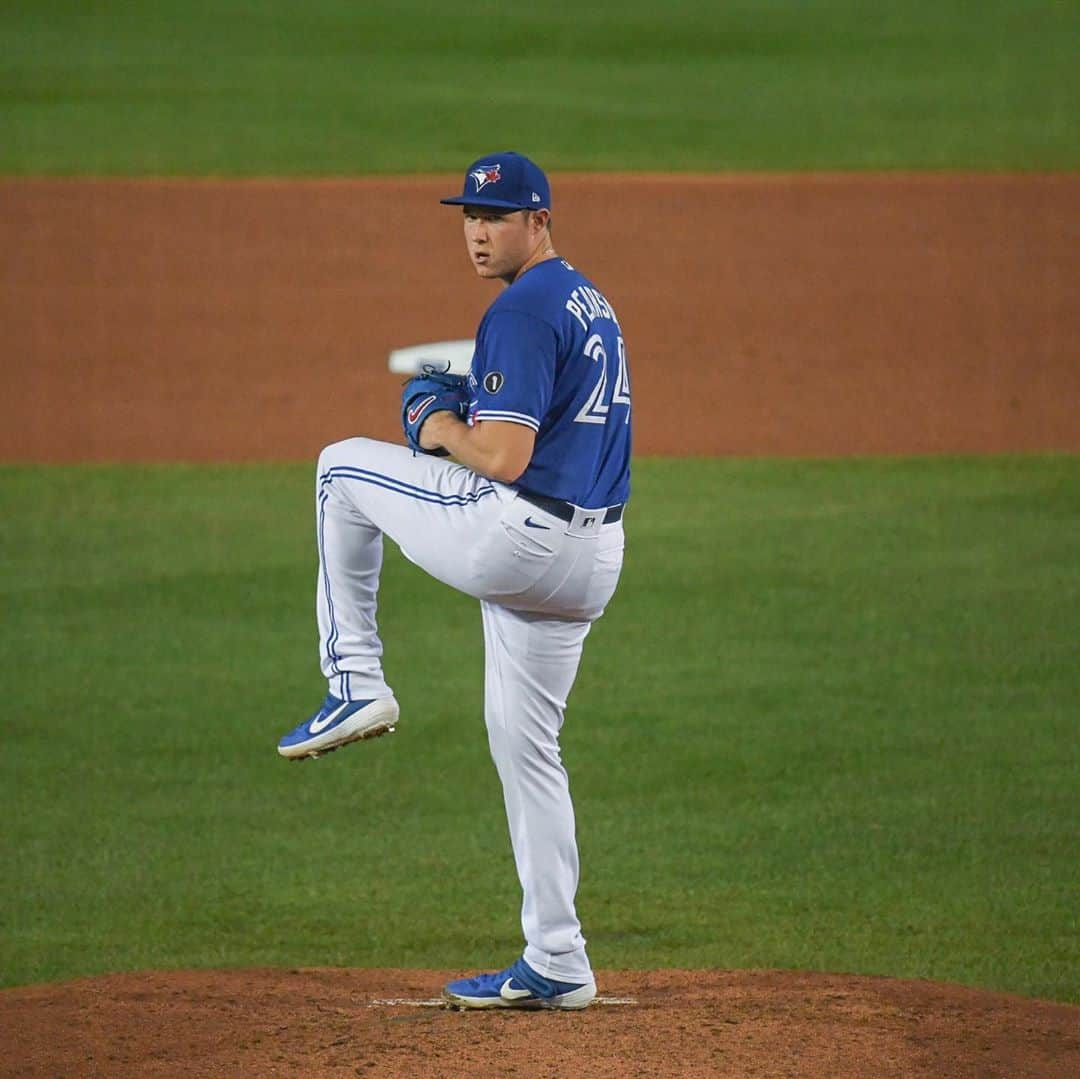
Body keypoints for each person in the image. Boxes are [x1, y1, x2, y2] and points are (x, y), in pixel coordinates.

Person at [277, 151, 632, 1010]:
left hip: (521, 542)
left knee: (339, 470)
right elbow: (543, 415)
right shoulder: (587, 300)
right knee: (527, 748)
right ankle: (558, 956)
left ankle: (354, 680)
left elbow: (503, 456)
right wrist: (470, 398)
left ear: (539, 220)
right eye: (469, 216)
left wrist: (435, 422)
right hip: (592, 560)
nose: (478, 232)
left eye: (497, 217)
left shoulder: (518, 308)